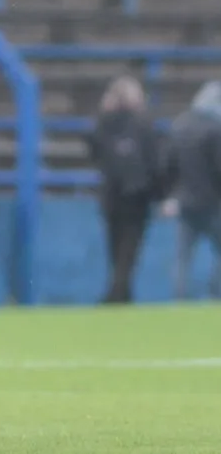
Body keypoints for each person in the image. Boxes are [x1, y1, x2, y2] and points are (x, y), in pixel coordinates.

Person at [87, 75, 161, 303]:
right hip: (136, 197)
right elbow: (153, 160)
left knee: (117, 247)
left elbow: (94, 150)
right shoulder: (143, 123)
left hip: (113, 195)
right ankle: (119, 293)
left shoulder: (106, 123)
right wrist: (158, 193)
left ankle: (120, 293)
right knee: (128, 249)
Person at [162, 80, 221, 299]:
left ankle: (179, 299)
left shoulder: (179, 125)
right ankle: (216, 295)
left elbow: (167, 166)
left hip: (185, 202)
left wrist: (170, 196)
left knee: (182, 257)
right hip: (212, 203)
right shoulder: (216, 129)